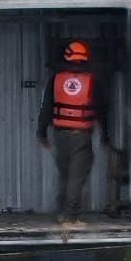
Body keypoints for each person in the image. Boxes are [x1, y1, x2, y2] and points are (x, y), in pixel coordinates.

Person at [37, 38, 109, 223]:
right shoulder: (92, 82)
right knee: (76, 179)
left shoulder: (56, 79)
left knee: (65, 175)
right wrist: (106, 136)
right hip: (81, 136)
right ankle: (70, 218)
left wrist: (42, 133)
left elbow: (46, 108)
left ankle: (63, 213)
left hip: (60, 135)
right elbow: (101, 110)